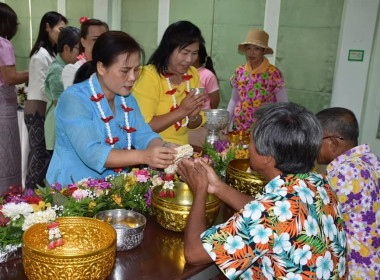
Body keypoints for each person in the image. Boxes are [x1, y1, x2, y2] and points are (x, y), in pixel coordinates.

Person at [178, 103, 347, 279]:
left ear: (267, 157)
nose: (247, 147)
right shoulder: (320, 184)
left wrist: (199, 191)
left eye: (251, 140)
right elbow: (269, 214)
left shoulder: (269, 214)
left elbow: (194, 253)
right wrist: (217, 187)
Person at [46, 31, 176, 185]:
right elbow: (93, 153)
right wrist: (145, 156)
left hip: (113, 188)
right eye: (125, 71)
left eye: (136, 70)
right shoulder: (74, 99)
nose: (133, 77)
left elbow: (143, 135)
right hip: (71, 190)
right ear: (101, 68)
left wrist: (167, 148)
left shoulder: (127, 99)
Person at [316, 107, 380, 279]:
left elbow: (311, 219)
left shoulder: (344, 176)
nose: (312, 146)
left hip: (356, 271)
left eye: (316, 139)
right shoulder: (372, 161)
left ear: (333, 143)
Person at [132, 21, 206, 145]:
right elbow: (144, 128)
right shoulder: (149, 76)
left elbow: (193, 125)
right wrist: (182, 111)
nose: (189, 60)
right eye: (185, 53)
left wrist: (193, 116)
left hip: (181, 152)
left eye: (194, 53)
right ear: (169, 49)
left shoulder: (193, 74)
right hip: (153, 154)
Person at [24, 11, 67, 190]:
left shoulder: (49, 54)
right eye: (60, 29)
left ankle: (38, 193)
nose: (62, 33)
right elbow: (44, 87)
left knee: (42, 154)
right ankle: (30, 194)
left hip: (44, 107)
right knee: (38, 154)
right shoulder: (40, 55)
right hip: (37, 108)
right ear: (48, 27)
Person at [227, 29, 286, 132]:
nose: (251, 53)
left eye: (256, 49)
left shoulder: (274, 74)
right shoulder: (240, 71)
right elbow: (234, 100)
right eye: (248, 48)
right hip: (239, 127)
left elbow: (283, 105)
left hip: (263, 129)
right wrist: (226, 123)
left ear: (263, 51)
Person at [0, 3, 29, 193]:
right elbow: (10, 77)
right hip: (3, 104)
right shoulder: (3, 44)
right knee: (6, 152)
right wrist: (31, 72)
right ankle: (7, 199)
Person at [44, 26, 80, 153]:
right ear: (66, 48)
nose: (81, 54)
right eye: (78, 49)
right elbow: (58, 102)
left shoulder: (70, 67)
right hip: (57, 127)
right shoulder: (57, 69)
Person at [62, 17, 108, 90]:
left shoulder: (111, 68)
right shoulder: (72, 70)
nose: (100, 43)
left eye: (104, 39)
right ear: (83, 41)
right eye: (95, 39)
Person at [192, 43, 219, 109]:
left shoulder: (208, 75)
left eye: (193, 53)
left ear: (199, 56)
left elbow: (215, 101)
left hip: (204, 116)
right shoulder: (183, 73)